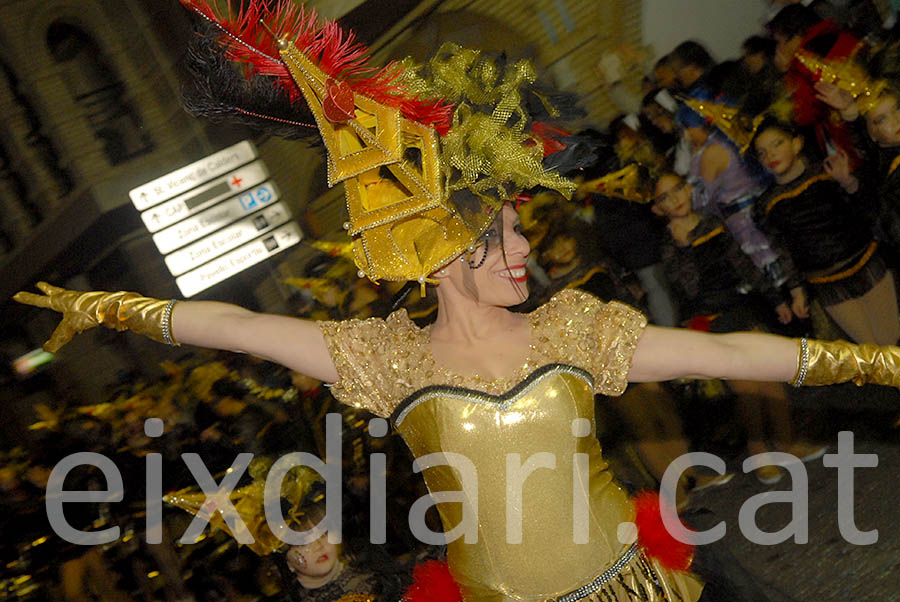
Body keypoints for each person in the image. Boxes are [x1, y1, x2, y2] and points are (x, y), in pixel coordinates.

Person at [13, 2, 900, 600]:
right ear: (445, 258)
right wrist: (106, 311)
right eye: (502, 238)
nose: (523, 249)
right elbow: (239, 325)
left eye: (519, 233)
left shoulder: (573, 329)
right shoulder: (385, 358)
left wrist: (881, 363)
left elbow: (731, 355)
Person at [653, 172, 826, 483]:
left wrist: (776, 300)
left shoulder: (713, 223)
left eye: (678, 189)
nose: (675, 198)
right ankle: (759, 451)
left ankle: (787, 444)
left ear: (689, 188)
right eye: (665, 197)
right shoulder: (667, 245)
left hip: (739, 309)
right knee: (746, 389)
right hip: (708, 320)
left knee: (770, 380)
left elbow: (744, 264)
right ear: (658, 208)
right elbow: (686, 291)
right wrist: (685, 246)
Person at [751, 116, 900, 345]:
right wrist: (796, 290)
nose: (770, 155)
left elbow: (869, 211)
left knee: (891, 341)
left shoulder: (828, 170)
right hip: (825, 282)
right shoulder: (766, 205)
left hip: (865, 263)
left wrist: (848, 182)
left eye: (777, 144)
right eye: (762, 152)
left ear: (797, 143)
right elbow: (782, 249)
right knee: (871, 352)